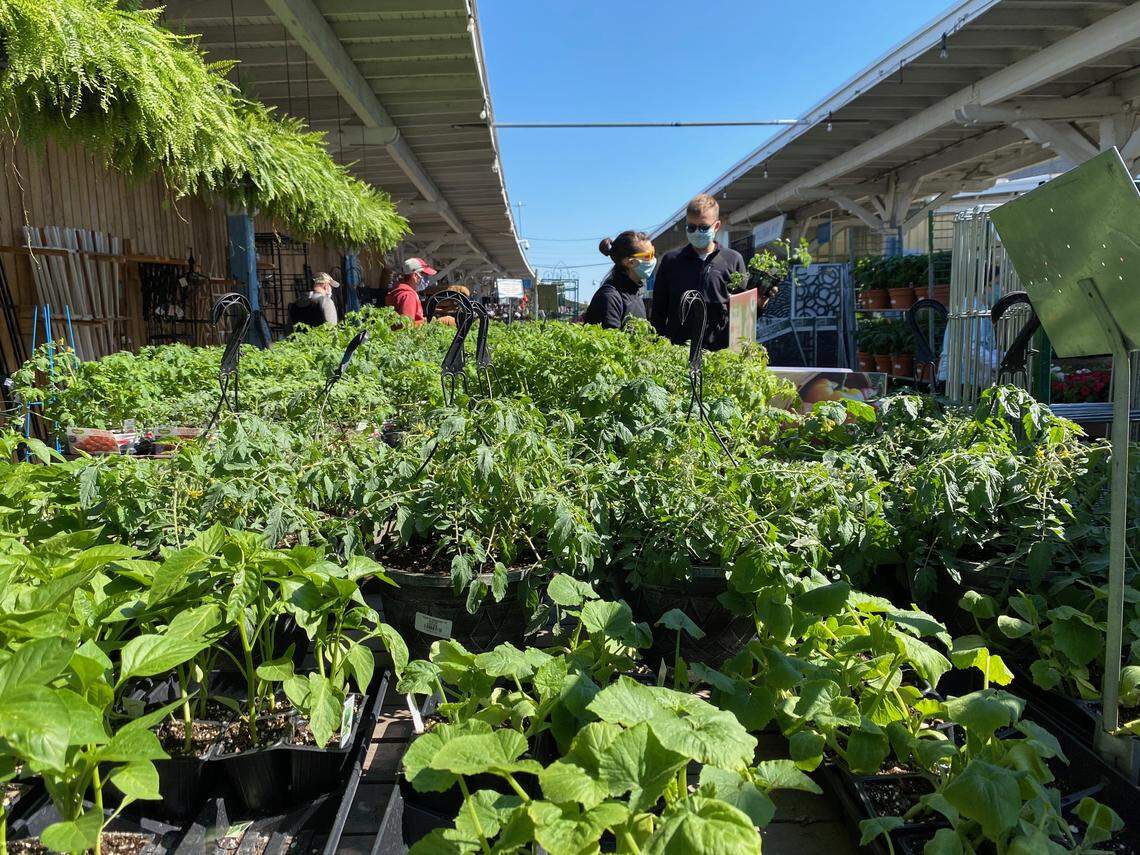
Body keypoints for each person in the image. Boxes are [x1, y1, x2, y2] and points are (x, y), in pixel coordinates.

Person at [650, 194, 745, 350]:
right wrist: (658, 347)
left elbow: (742, 313)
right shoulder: (671, 261)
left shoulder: (733, 259)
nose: (697, 232)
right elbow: (658, 312)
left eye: (703, 227)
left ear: (716, 226)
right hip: (677, 352)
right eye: (691, 227)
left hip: (719, 354)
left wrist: (760, 304)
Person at [583, 231, 654, 329]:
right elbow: (609, 341)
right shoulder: (609, 297)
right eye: (648, 256)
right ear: (629, 262)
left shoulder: (635, 294)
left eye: (653, 252)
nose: (653, 259)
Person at [386, 257, 436, 326]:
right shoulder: (409, 295)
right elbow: (406, 326)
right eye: (425, 275)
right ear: (415, 275)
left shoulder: (397, 290)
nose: (427, 279)